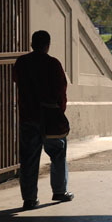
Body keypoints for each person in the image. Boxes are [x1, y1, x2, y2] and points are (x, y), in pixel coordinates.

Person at [13, 30, 74, 210]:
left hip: (28, 116)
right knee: (58, 153)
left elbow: (16, 80)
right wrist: (59, 112)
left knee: (29, 158)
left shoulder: (21, 63)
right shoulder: (53, 64)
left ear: (32, 44)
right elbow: (61, 91)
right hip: (50, 118)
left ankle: (30, 198)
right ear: (47, 45)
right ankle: (59, 191)